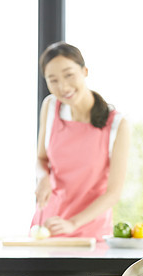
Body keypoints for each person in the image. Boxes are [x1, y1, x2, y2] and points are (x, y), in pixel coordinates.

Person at [31, 42, 130, 241]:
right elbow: (41, 158)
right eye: (53, 80)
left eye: (69, 75)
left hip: (90, 233)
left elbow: (113, 193)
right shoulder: (50, 107)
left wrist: (73, 223)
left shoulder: (117, 124)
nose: (63, 87)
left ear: (85, 71)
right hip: (48, 227)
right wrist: (43, 178)